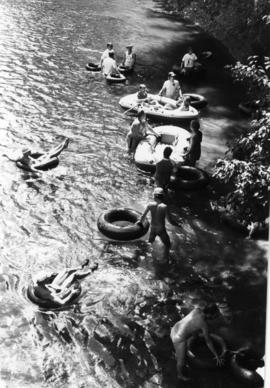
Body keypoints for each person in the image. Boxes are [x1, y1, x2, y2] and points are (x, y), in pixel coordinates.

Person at [170, 304, 223, 380]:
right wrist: (216, 356)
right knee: (181, 361)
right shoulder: (203, 324)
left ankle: (177, 353)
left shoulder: (197, 310)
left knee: (193, 334)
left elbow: (191, 324)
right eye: (215, 315)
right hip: (178, 338)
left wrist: (195, 337)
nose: (216, 317)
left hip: (174, 329)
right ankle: (180, 375)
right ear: (209, 314)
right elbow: (208, 342)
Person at [33, 260, 99, 305]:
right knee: (74, 275)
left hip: (52, 286)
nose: (49, 276)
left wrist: (51, 284)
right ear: (45, 280)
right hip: (60, 290)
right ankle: (90, 271)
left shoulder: (37, 283)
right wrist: (71, 294)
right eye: (47, 277)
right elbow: (62, 303)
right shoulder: (48, 295)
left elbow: (38, 279)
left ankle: (80, 267)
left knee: (66, 270)